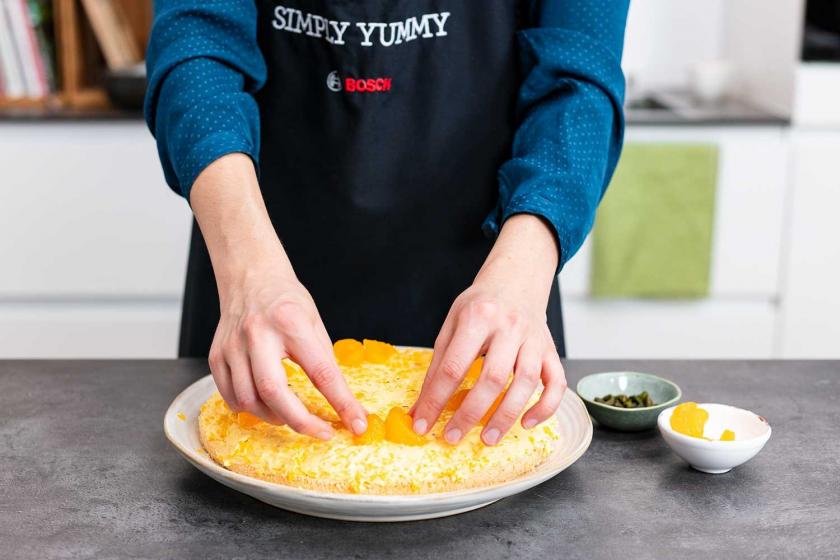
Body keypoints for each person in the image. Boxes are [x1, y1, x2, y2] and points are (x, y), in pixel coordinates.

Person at [145, 1, 629, 446]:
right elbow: (198, 44)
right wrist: (248, 271)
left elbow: (579, 79)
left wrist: (524, 271)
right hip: (256, 258)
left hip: (495, 271)